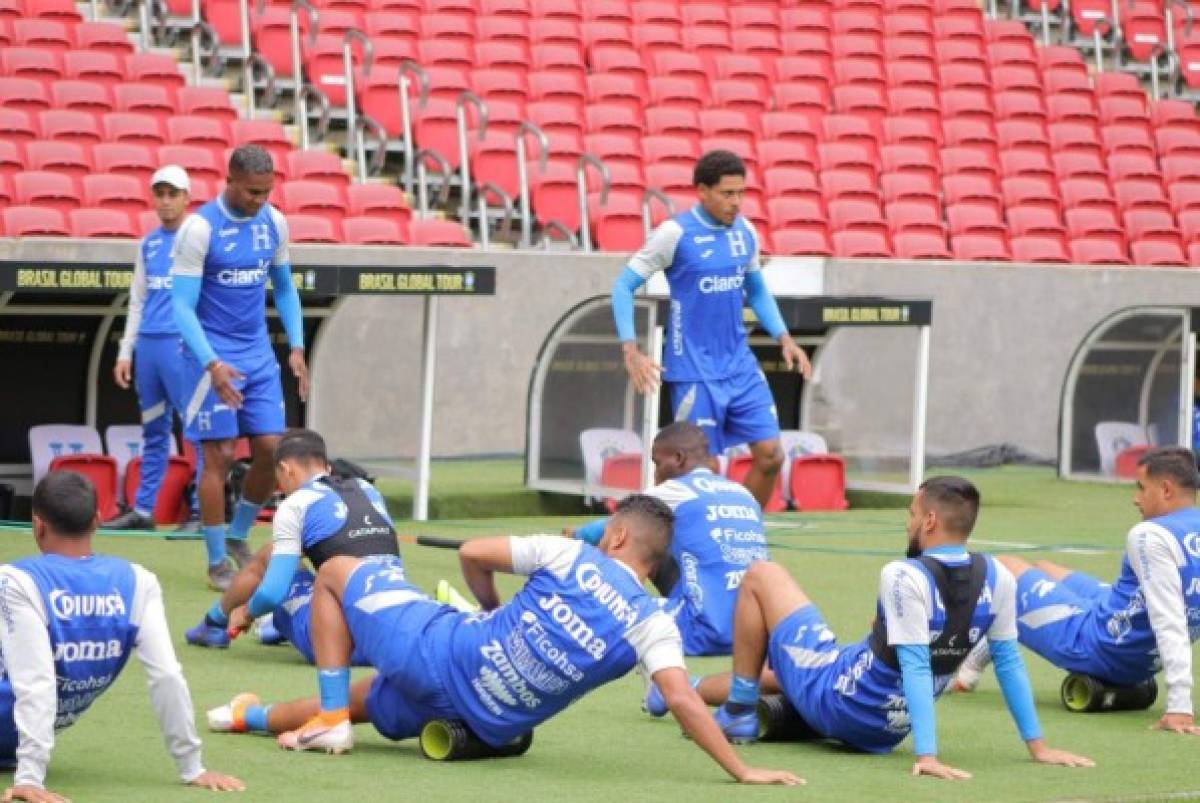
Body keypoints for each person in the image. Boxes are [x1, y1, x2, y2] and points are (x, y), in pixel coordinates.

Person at [207, 496, 802, 786]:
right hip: (488, 723)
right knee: (367, 697)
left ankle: (329, 718)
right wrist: (741, 770)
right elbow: (680, 697)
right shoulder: (655, 623)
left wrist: (490, 611)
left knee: (335, 571)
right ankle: (245, 717)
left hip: (444, 652)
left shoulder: (569, 553)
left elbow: (472, 554)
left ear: (617, 534)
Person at [701, 476, 1093, 780]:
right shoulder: (999, 575)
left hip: (837, 701)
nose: (908, 523)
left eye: (911, 514)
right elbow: (1008, 662)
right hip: (887, 730)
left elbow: (916, 667)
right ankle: (680, 693)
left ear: (930, 520)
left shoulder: (903, 574)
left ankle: (737, 711)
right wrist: (1038, 748)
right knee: (774, 675)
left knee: (762, 575)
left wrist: (928, 756)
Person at [0, 471, 243, 802]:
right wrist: (193, 767)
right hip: (16, 740)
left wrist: (30, 776)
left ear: (37, 525)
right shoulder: (138, 581)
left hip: (16, 739)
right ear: (97, 521)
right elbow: (168, 675)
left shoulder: (16, 580)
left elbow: (37, 683)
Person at [611, 149, 812, 509]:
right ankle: (695, 537)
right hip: (694, 370)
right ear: (702, 191)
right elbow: (623, 286)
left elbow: (757, 290)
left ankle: (745, 525)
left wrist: (784, 336)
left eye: (741, 193)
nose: (736, 202)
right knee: (703, 469)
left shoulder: (746, 232)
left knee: (771, 456)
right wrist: (631, 348)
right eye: (727, 193)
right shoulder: (674, 234)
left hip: (740, 365)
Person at [953, 447, 1200, 735]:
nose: (1136, 498)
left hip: (1101, 648)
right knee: (1045, 568)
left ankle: (964, 662)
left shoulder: (1150, 535)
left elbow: (1169, 619)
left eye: (1142, 488)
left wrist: (1180, 706)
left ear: (1166, 490)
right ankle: (998, 637)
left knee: (1005, 568)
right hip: (1124, 626)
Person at [172, 144, 309, 591]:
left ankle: (237, 536)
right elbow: (181, 307)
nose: (259, 200)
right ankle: (216, 561)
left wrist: (297, 347)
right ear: (229, 181)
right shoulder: (199, 229)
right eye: (252, 192)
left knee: (273, 448)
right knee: (220, 453)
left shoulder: (274, 222)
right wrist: (211, 363)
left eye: (267, 192)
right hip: (210, 356)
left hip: (258, 355)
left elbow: (285, 290)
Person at [183, 428, 400, 661]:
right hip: (390, 638)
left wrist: (246, 613)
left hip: (336, 648)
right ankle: (279, 624)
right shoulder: (367, 490)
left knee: (272, 554)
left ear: (286, 470)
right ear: (327, 468)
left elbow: (271, 594)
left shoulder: (295, 504)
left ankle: (213, 624)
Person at [573, 422, 770, 657]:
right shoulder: (744, 493)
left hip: (701, 632)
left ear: (678, 458)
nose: (655, 475)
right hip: (754, 636)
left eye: (657, 464)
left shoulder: (674, 491)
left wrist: (572, 537)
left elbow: (606, 529)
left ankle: (581, 610)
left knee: (633, 537)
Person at [105, 165, 202, 532]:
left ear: (186, 198)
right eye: (159, 194)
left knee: (195, 431)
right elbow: (137, 300)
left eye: (172, 194)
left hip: (183, 349)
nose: (165, 201)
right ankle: (143, 511)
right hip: (149, 348)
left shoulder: (199, 241)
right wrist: (125, 351)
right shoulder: (148, 243)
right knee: (154, 431)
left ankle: (198, 512)